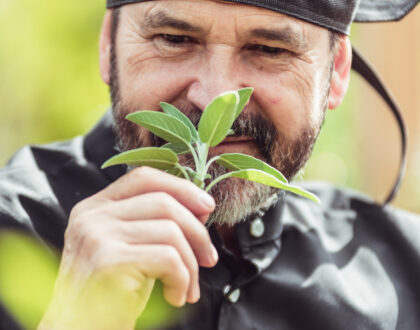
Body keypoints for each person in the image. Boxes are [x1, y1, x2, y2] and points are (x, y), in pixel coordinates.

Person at [1, 0, 419, 329]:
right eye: (174, 38)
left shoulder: (406, 272)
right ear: (109, 43)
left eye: (270, 49)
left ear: (336, 71)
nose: (215, 97)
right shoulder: (12, 239)